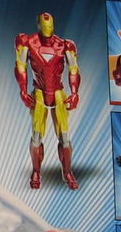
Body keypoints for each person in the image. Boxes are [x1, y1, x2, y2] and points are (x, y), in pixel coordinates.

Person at [14, 12, 80, 189]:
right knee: (36, 135)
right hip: (39, 92)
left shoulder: (63, 45)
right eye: (44, 27)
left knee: (64, 136)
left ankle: (67, 172)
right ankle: (36, 171)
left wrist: (74, 92)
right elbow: (20, 66)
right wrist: (23, 90)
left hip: (58, 93)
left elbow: (74, 69)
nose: (47, 30)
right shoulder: (28, 42)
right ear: (39, 26)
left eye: (49, 27)